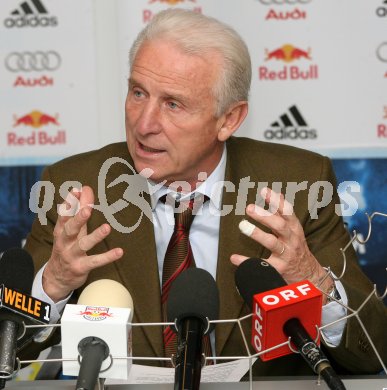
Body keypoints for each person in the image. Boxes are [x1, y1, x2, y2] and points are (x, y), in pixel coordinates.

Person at [23, 8, 386, 376]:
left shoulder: (300, 184)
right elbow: (12, 348)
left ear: (228, 119)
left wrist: (311, 278)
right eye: (138, 93)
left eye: (173, 104)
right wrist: (52, 286)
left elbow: (374, 349)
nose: (144, 124)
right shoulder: (73, 187)